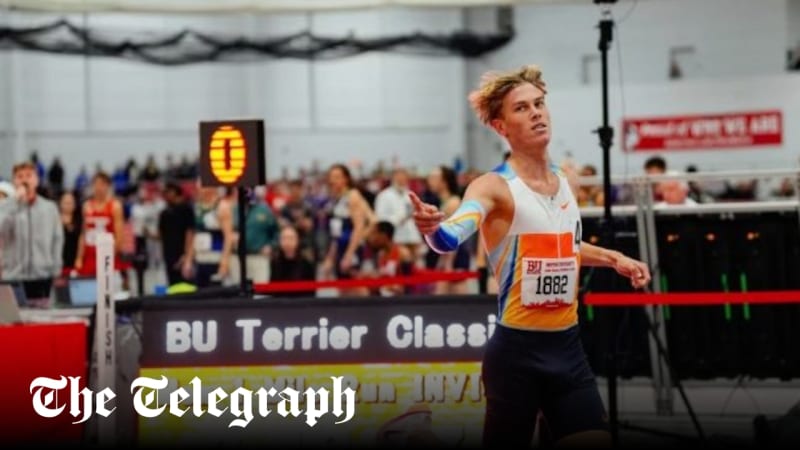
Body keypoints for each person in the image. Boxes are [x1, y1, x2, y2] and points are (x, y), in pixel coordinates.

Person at [411, 65, 651, 447]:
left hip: (568, 349)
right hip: (516, 357)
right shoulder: (494, 187)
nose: (537, 112)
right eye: (522, 108)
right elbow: (451, 238)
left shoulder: (566, 180)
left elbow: (564, 244)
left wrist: (613, 258)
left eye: (539, 104)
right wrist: (433, 230)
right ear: (500, 126)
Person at [0, 162, 63, 306]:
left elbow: (57, 240)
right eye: (19, 176)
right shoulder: (5, 207)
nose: (24, 180)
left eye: (29, 175)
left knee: (42, 324)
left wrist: (56, 270)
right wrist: (15, 203)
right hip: (14, 278)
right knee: (14, 323)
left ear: (37, 180)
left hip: (43, 277)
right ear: (14, 181)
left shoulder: (49, 208)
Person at [321, 164, 374, 297]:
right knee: (343, 290)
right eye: (331, 177)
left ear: (346, 179)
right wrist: (330, 258)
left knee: (357, 288)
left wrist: (350, 254)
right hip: (340, 248)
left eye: (337, 177)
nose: (333, 180)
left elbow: (359, 226)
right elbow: (336, 234)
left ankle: (371, 316)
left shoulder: (352, 196)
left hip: (352, 250)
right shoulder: (336, 200)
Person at [427, 165, 471, 295]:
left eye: (434, 177)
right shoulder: (443, 203)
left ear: (444, 182)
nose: (430, 180)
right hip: (446, 256)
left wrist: (448, 264)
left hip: (455, 257)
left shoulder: (453, 203)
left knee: (453, 298)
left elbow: (454, 236)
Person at [74, 172, 126, 278]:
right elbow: (83, 234)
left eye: (102, 184)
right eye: (96, 184)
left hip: (107, 255)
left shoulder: (115, 206)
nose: (99, 187)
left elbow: (119, 236)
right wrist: (79, 257)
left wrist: (111, 256)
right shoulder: (87, 206)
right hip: (90, 255)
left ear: (108, 186)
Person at [374, 168, 422, 262]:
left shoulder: (410, 194)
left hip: (411, 237)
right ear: (393, 178)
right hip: (394, 238)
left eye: (404, 177)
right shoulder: (384, 195)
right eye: (398, 177)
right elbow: (381, 219)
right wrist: (399, 218)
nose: (401, 180)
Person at [364, 221, 415, 296]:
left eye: (374, 233)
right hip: (383, 297)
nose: (372, 238)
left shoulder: (402, 253)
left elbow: (408, 284)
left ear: (383, 235)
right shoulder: (380, 255)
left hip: (401, 299)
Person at [158, 182, 195, 286]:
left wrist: (187, 255)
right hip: (169, 255)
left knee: (186, 285)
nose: (165, 195)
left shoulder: (186, 209)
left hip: (182, 253)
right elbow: (161, 234)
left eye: (168, 192)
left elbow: (190, 232)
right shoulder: (164, 213)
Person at [269, 225, 317, 298]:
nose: (287, 242)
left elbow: (311, 292)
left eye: (291, 238)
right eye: (284, 238)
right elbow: (272, 291)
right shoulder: (275, 263)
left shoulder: (306, 264)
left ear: (298, 240)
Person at [59, 190, 82, 276]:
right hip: (59, 261)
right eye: (65, 202)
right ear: (60, 203)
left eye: (70, 202)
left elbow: (81, 241)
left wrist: (79, 259)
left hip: (74, 261)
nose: (68, 205)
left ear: (75, 204)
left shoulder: (80, 220)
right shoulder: (54, 221)